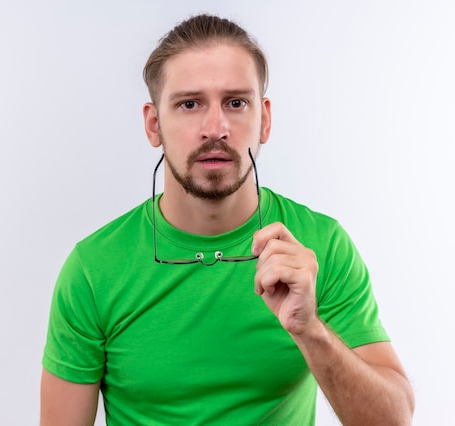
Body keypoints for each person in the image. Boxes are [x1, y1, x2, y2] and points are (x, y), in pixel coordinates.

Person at [40, 13, 414, 425]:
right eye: (189, 104)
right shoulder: (94, 270)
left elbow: (393, 419)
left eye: (236, 103)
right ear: (153, 124)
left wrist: (311, 332)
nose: (214, 127)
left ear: (264, 119)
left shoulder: (319, 247)